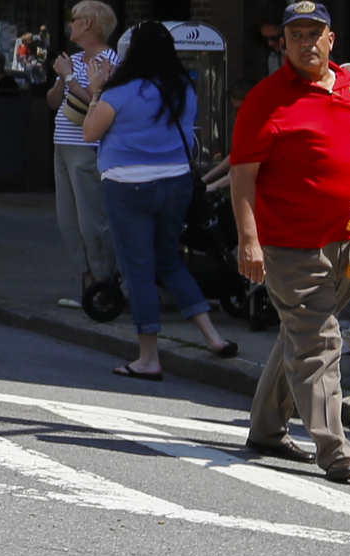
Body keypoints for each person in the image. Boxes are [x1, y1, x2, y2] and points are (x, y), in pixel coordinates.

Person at [229, 0, 350, 482]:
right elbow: (242, 175)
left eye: (314, 32)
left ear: (330, 40)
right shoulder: (266, 98)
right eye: (295, 34)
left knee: (302, 334)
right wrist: (248, 240)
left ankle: (266, 427)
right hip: (292, 244)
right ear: (284, 44)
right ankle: (334, 447)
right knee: (319, 339)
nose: (305, 41)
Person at [82, 21, 242, 378]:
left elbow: (90, 131)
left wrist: (96, 91)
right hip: (176, 185)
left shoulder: (118, 92)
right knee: (170, 261)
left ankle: (148, 357)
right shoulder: (183, 87)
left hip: (127, 186)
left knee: (139, 270)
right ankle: (213, 336)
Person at [46, 0, 123, 308]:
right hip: (62, 144)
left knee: (92, 219)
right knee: (69, 220)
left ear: (88, 24)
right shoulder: (75, 59)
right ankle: (88, 285)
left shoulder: (109, 60)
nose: (70, 24)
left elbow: (101, 101)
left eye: (74, 18)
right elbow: (54, 102)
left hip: (87, 147)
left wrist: (68, 78)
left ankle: (105, 286)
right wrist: (60, 77)